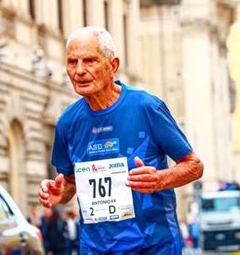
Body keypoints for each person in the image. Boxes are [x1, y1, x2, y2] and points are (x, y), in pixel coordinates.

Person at [38, 26, 204, 254]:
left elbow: (194, 166)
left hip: (153, 246)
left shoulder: (146, 107)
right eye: (72, 62)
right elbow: (70, 182)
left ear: (113, 66)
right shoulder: (68, 122)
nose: (79, 71)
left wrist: (159, 179)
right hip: (96, 248)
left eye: (89, 61)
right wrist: (61, 193)